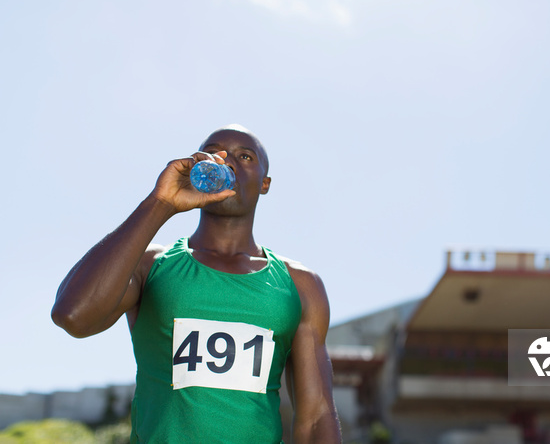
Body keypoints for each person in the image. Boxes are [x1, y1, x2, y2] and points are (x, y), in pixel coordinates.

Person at [51, 125, 342, 443]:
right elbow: (74, 316)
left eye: (244, 156)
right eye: (216, 152)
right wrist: (160, 203)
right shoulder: (151, 265)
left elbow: (315, 417)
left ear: (264, 183)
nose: (227, 160)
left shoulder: (299, 285)